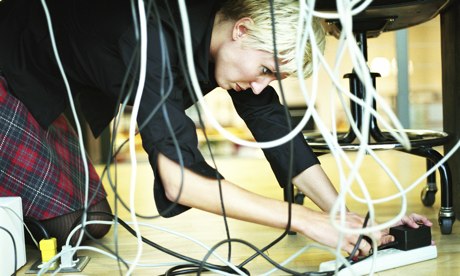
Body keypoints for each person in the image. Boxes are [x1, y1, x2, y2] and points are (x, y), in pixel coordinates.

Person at [0, 0, 432, 258]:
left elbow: (273, 125)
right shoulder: (150, 37)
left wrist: (344, 215)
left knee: (89, 225)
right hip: (9, 70)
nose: (261, 85)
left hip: (48, 91)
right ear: (241, 31)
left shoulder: (227, 31)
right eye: (264, 69)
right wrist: (306, 221)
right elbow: (180, 181)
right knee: (66, 225)